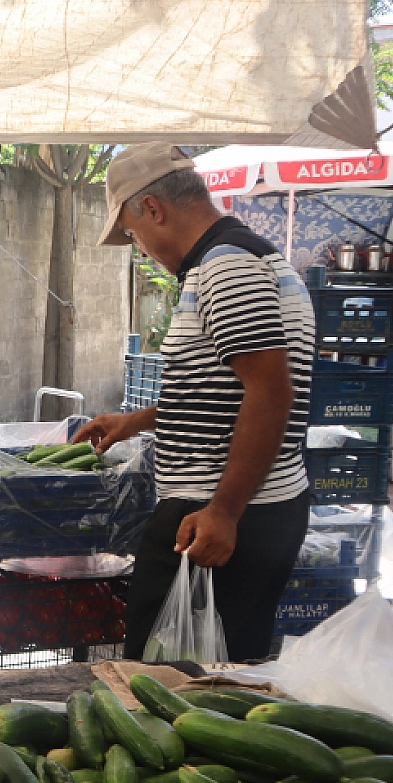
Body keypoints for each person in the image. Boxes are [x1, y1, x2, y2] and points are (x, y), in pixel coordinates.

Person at [76, 144, 314, 662]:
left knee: (166, 689)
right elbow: (231, 391)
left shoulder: (225, 268)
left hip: (215, 514)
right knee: (212, 678)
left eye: (134, 234)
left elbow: (271, 393)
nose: (140, 249)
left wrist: (225, 511)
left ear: (154, 209)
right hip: (229, 508)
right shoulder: (244, 259)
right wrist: (139, 420)